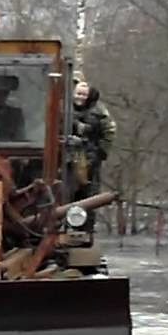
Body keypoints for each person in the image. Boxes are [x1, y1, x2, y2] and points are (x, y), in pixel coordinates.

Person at [70, 79, 116, 229]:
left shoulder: (99, 112)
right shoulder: (64, 107)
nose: (80, 97)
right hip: (67, 156)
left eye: (84, 95)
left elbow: (109, 132)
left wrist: (100, 154)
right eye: (78, 94)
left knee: (88, 192)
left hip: (89, 157)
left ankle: (85, 227)